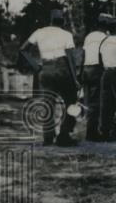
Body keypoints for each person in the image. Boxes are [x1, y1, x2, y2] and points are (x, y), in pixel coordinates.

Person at [23, 9, 80, 146]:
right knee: (71, 102)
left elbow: (23, 49)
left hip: (46, 68)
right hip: (62, 69)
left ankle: (48, 137)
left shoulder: (39, 32)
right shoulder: (66, 34)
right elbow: (70, 58)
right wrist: (75, 79)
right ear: (63, 21)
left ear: (51, 21)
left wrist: (36, 67)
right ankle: (64, 135)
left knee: (48, 104)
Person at [80, 13, 112, 141]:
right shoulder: (106, 38)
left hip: (86, 69)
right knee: (96, 102)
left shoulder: (89, 36)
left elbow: (83, 54)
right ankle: (92, 132)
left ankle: (91, 129)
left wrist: (81, 71)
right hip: (97, 69)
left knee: (88, 101)